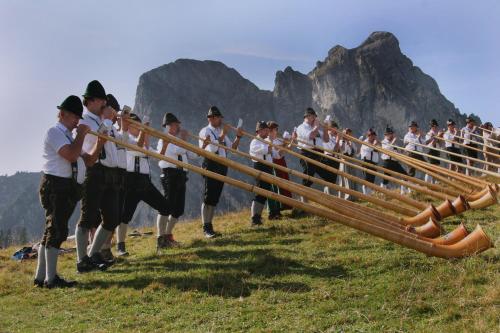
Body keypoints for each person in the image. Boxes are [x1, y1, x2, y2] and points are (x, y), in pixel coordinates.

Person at [34, 95, 89, 288]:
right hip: (55, 185)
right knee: (57, 230)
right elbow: (71, 155)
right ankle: (51, 279)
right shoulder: (54, 132)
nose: (77, 122)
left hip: (65, 186)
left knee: (51, 230)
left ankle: (40, 277)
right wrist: (82, 134)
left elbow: (87, 160)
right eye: (75, 117)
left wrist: (98, 141)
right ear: (63, 114)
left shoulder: (68, 135)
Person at [75, 80, 120, 273]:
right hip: (93, 171)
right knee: (87, 217)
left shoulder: (101, 120)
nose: (105, 104)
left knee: (111, 217)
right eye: (102, 100)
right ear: (91, 101)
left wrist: (111, 121)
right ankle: (82, 260)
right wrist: (108, 120)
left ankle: (93, 253)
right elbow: (95, 141)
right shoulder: (84, 121)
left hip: (109, 170)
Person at [118, 114, 172, 252]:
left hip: (144, 181)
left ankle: (161, 239)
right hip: (130, 181)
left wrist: (165, 145)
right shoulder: (125, 139)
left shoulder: (142, 142)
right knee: (125, 215)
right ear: (129, 126)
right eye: (137, 125)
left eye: (140, 125)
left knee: (165, 207)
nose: (139, 128)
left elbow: (156, 155)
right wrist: (145, 131)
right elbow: (139, 149)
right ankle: (121, 246)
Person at [198, 106, 243, 238]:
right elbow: (212, 148)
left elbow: (232, 148)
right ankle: (205, 227)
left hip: (222, 164)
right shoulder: (205, 131)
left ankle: (209, 225)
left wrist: (238, 137)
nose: (220, 120)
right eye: (218, 118)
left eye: (220, 118)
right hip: (211, 164)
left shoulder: (219, 131)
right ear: (210, 118)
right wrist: (223, 134)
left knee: (215, 197)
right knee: (208, 196)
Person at [157, 112, 197, 247]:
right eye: (175, 125)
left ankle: (168, 235)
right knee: (166, 207)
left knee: (178, 209)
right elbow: (177, 151)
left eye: (178, 125)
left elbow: (193, 155)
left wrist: (201, 146)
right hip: (170, 174)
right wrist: (184, 139)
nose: (178, 127)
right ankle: (161, 237)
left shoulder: (179, 139)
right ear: (168, 126)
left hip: (181, 175)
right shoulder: (163, 139)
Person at [294, 107, 332, 203]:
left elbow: (326, 139)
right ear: (307, 116)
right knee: (308, 175)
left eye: (315, 117)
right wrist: (316, 127)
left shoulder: (316, 128)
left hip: (318, 153)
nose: (315, 119)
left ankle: (329, 199)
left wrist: (326, 129)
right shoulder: (301, 127)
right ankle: (304, 202)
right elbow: (310, 136)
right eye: (313, 117)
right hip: (307, 153)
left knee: (329, 175)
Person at [248, 121, 275, 226]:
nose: (267, 132)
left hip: (267, 167)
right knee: (260, 193)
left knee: (265, 192)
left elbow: (272, 153)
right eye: (265, 130)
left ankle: (258, 217)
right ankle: (254, 218)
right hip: (260, 167)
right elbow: (267, 151)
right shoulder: (255, 142)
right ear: (259, 131)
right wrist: (271, 140)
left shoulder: (265, 140)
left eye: (267, 130)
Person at [265, 121, 292, 219]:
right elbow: (277, 153)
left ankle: (283, 206)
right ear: (271, 130)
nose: (277, 131)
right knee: (275, 186)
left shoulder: (278, 139)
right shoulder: (268, 140)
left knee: (284, 183)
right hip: (274, 163)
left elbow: (287, 150)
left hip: (281, 162)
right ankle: (275, 209)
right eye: (276, 129)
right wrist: (285, 143)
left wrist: (291, 140)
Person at [380, 126, 408, 194]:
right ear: (386, 135)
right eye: (389, 134)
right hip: (387, 162)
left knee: (405, 175)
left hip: (395, 162)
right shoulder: (384, 142)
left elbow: (399, 153)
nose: (391, 135)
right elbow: (386, 150)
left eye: (391, 134)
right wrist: (393, 142)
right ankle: (382, 193)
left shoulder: (394, 143)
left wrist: (404, 147)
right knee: (386, 178)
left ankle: (403, 191)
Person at [321, 120, 341, 195]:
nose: (336, 131)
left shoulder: (333, 137)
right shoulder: (327, 137)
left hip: (335, 159)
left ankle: (328, 195)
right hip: (329, 158)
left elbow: (339, 150)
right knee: (330, 179)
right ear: (331, 128)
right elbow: (333, 150)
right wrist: (338, 140)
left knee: (333, 179)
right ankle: (328, 195)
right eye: (335, 129)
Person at [338, 128, 358, 200]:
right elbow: (342, 150)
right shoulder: (341, 142)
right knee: (345, 179)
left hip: (351, 161)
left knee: (352, 178)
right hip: (344, 161)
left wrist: (350, 144)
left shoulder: (352, 143)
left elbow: (355, 152)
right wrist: (344, 141)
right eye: (347, 133)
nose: (348, 135)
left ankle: (353, 196)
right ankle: (345, 196)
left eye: (349, 134)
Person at [359, 128, 380, 195]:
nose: (373, 137)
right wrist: (375, 144)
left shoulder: (375, 143)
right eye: (371, 135)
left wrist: (378, 144)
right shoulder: (365, 142)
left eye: (374, 136)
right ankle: (365, 193)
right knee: (366, 178)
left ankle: (369, 194)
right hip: (366, 162)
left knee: (372, 179)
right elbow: (369, 149)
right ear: (368, 136)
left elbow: (380, 150)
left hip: (374, 162)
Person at [424, 119, 442, 183]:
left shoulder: (437, 133)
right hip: (431, 150)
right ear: (431, 127)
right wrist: (437, 136)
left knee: (436, 168)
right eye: (434, 126)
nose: (435, 127)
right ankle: (427, 183)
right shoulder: (429, 133)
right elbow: (430, 143)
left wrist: (440, 136)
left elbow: (440, 143)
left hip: (437, 150)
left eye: (436, 126)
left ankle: (433, 183)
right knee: (430, 168)